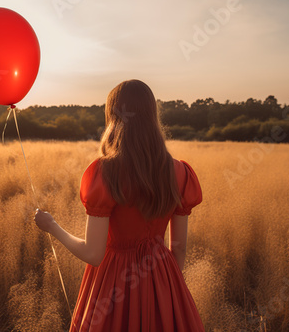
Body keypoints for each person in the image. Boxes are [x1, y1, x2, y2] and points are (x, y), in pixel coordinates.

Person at [34, 79, 205, 331]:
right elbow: (178, 249)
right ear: (152, 115)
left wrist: (52, 227)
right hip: (163, 277)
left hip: (114, 285)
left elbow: (93, 254)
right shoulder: (180, 172)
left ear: (114, 117)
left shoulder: (105, 173)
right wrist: (166, 290)